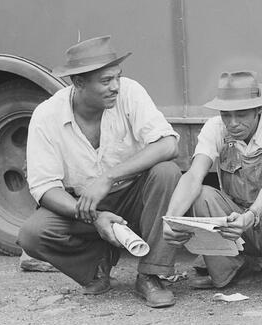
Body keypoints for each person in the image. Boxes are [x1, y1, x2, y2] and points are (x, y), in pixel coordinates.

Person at [19, 36, 181, 308]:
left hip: (134, 195)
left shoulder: (130, 93)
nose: (115, 87)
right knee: (32, 234)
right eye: (106, 81)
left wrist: (109, 177)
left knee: (167, 172)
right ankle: (95, 265)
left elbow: (168, 144)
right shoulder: (47, 116)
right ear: (79, 83)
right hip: (85, 205)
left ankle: (152, 275)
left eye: (118, 77)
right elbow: (44, 188)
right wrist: (95, 217)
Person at [162, 71, 262, 291]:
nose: (232, 123)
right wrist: (171, 220)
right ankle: (232, 268)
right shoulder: (215, 127)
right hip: (237, 219)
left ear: (259, 110)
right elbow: (193, 175)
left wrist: (251, 215)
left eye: (242, 115)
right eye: (226, 115)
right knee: (202, 194)